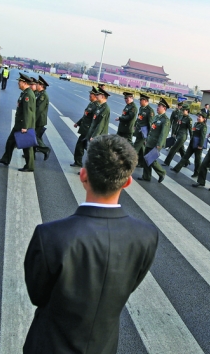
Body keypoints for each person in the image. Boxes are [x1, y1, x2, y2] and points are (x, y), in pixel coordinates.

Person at [23, 134, 158, 354]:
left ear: (83, 175)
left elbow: (37, 296)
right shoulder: (147, 235)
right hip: (103, 346)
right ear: (127, 181)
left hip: (50, 345)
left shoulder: (50, 235)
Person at [0, 72, 36, 172]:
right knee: (10, 142)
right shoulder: (25, 93)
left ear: (24, 83)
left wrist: (25, 127)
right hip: (19, 124)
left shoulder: (28, 95)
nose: (18, 83)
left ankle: (30, 166)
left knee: (26, 146)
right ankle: (6, 159)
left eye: (20, 82)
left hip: (23, 125)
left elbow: (27, 112)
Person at [139, 98, 170, 183]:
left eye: (159, 106)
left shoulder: (165, 120)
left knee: (151, 160)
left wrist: (159, 144)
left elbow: (163, 134)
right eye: (158, 106)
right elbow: (151, 130)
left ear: (164, 108)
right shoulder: (156, 117)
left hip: (156, 143)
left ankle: (162, 172)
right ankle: (146, 176)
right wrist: (147, 139)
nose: (157, 107)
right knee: (146, 159)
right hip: (150, 141)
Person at [71, 86, 98, 167]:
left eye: (91, 95)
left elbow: (94, 120)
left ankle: (92, 163)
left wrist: (91, 132)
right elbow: (85, 116)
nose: (89, 96)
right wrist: (78, 123)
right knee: (82, 146)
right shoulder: (91, 104)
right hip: (84, 129)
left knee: (83, 146)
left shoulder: (96, 106)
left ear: (95, 96)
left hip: (87, 130)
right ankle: (78, 162)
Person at [132, 93, 155, 167]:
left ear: (145, 101)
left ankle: (129, 162)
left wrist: (148, 136)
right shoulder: (141, 108)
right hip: (139, 131)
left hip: (144, 133)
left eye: (141, 100)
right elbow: (139, 118)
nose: (139, 101)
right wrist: (135, 125)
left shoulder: (150, 111)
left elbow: (150, 124)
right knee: (141, 148)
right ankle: (141, 162)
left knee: (135, 147)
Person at [34, 76, 50, 160]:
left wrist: (33, 120)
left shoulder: (43, 96)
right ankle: (32, 154)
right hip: (38, 119)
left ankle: (45, 149)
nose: (36, 85)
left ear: (41, 85)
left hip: (39, 120)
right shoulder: (39, 94)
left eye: (37, 84)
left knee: (34, 137)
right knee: (34, 136)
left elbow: (39, 109)